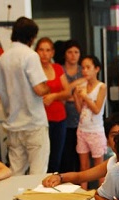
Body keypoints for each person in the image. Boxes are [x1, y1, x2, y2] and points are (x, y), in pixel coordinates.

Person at [0, 17, 51, 176]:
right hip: (33, 123)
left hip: (13, 125)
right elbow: (39, 89)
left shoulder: (2, 59)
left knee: (15, 174)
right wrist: (48, 87)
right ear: (32, 37)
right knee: (37, 175)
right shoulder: (30, 56)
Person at [42, 112, 119, 188]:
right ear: (107, 140)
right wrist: (59, 177)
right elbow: (81, 176)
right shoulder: (112, 162)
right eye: (114, 136)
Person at [35, 37, 71, 173]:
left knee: (57, 156)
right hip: (41, 120)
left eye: (48, 50)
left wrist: (54, 96)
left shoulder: (57, 68)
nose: (44, 53)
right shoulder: (34, 70)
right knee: (42, 158)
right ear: (36, 52)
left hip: (59, 118)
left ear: (53, 53)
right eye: (41, 50)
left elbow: (68, 91)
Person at [74, 55, 108, 188]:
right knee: (84, 166)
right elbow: (79, 110)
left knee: (99, 167)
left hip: (95, 131)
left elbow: (97, 109)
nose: (85, 71)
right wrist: (76, 96)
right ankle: (83, 193)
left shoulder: (101, 87)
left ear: (97, 69)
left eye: (88, 67)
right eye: (83, 68)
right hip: (82, 130)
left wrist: (84, 96)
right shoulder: (82, 86)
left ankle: (102, 193)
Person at [60, 40, 86, 173]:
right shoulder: (59, 70)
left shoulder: (84, 70)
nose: (73, 55)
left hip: (81, 119)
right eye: (70, 52)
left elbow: (85, 94)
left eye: (76, 52)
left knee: (81, 158)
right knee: (66, 156)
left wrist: (66, 95)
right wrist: (71, 92)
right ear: (65, 54)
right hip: (63, 118)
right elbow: (58, 95)